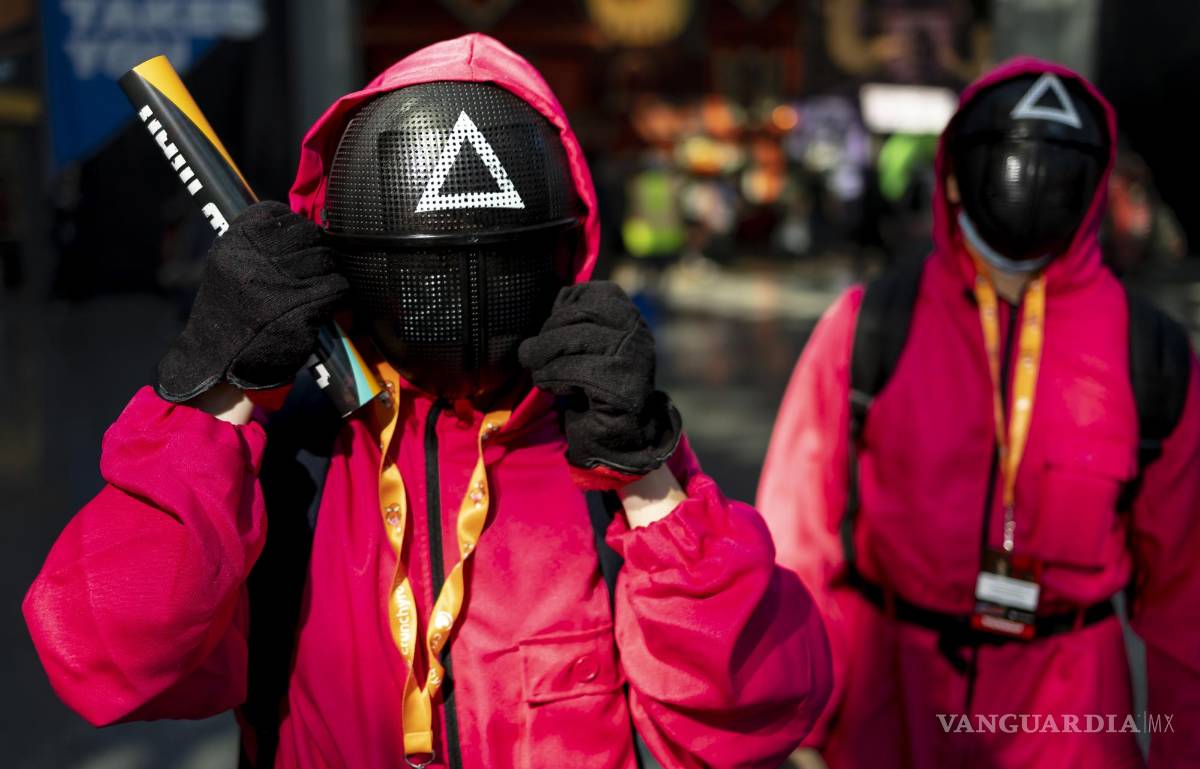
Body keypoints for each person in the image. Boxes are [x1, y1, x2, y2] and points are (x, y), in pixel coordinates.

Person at [24, 35, 831, 769]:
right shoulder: (291, 453)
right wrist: (215, 392)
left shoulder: (603, 440)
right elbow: (104, 654)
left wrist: (649, 482)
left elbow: (755, 711)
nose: (456, 290)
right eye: (426, 265)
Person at [759, 58, 1200, 769]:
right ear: (954, 174)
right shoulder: (869, 324)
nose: (1029, 187)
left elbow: (1187, 594)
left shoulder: (1150, 353)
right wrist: (799, 722)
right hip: (890, 692)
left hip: (1070, 707)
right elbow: (799, 535)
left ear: (1091, 185)